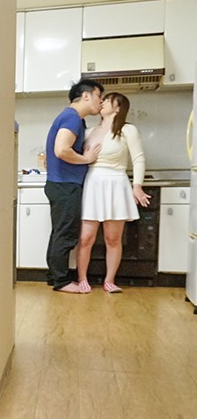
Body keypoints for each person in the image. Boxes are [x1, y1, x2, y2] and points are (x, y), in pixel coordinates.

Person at [75, 92, 151, 294]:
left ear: (118, 108)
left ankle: (109, 281)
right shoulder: (89, 131)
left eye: (108, 100)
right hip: (92, 183)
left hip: (117, 183)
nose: (103, 102)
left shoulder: (128, 130)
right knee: (85, 238)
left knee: (112, 239)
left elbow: (138, 159)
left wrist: (137, 186)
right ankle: (82, 279)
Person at [44, 78, 104, 293]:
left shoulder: (71, 118)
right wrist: (86, 159)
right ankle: (61, 281)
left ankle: (54, 276)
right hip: (65, 185)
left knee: (59, 233)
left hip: (60, 184)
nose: (101, 101)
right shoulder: (72, 117)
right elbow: (62, 150)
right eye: (99, 96)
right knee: (66, 234)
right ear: (86, 95)